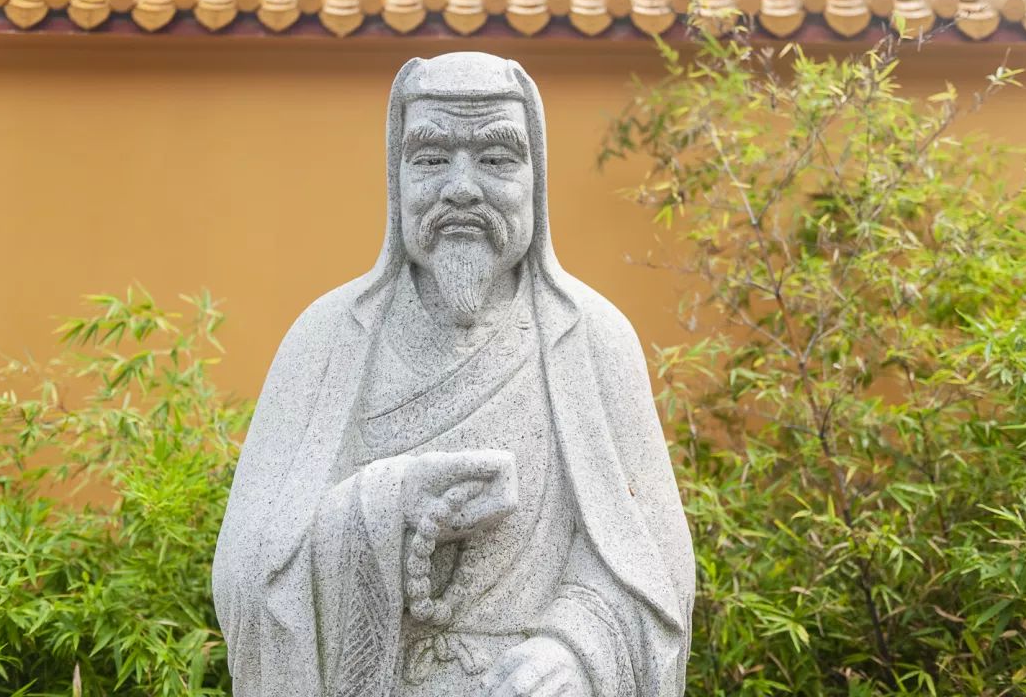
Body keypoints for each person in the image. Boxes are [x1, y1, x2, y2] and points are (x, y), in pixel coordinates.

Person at [212, 51, 695, 697]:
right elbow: (249, 575)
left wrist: (577, 651)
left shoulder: (592, 340)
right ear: (397, 177)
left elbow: (656, 571)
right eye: (432, 158)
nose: (461, 187)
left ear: (536, 178)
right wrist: (389, 503)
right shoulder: (326, 340)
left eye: (495, 158)